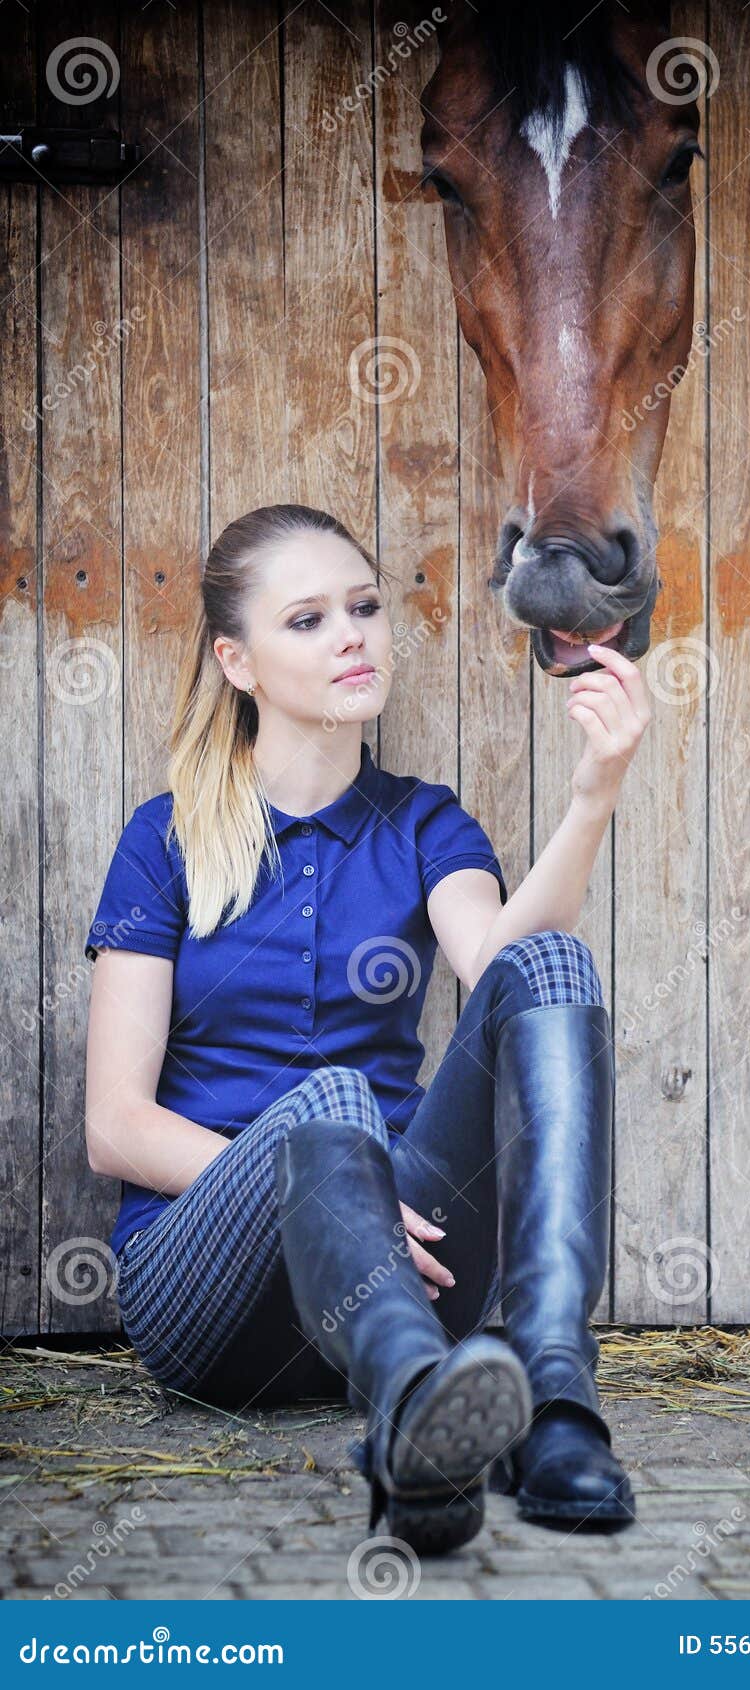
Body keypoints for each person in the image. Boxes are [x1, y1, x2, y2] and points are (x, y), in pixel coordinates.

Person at [83, 503, 651, 1556]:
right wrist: (338, 1184)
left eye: (365, 606)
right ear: (236, 661)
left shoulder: (425, 823)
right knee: (330, 1105)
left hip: (412, 1276)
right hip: (208, 1297)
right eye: (306, 619)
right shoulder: (164, 838)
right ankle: (407, 1400)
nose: (353, 634)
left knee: (553, 961)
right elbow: (115, 1128)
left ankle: (549, 1408)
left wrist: (594, 792)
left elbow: (499, 973)